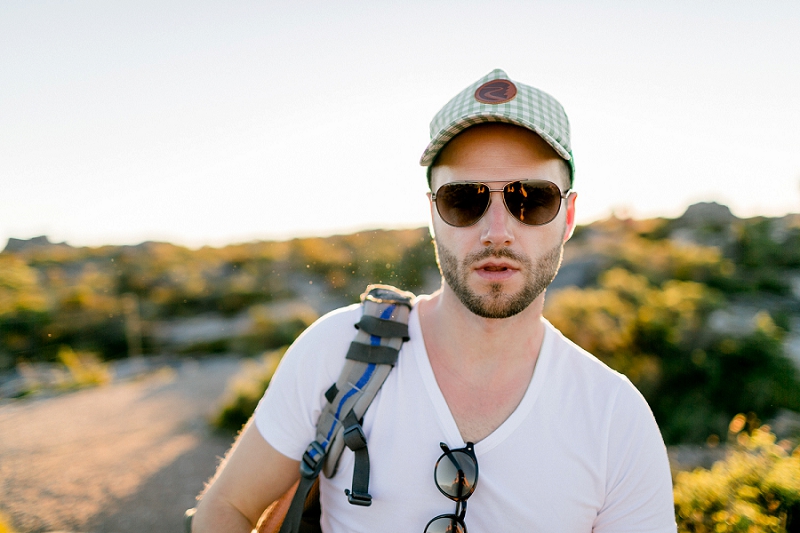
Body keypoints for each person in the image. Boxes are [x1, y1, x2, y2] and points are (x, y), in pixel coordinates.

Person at [192, 69, 677, 532]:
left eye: (531, 198)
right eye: (464, 199)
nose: (497, 231)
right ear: (433, 215)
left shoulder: (616, 420)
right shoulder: (336, 351)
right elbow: (225, 507)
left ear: (568, 216)